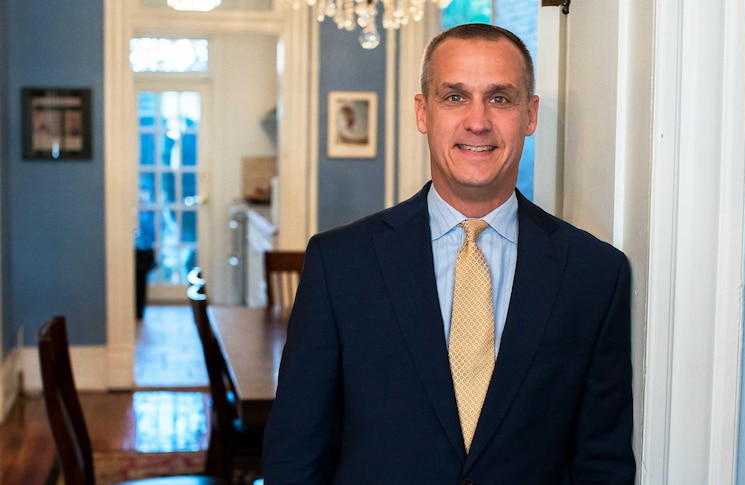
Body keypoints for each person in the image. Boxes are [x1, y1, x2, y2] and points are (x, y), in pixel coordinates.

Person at [263, 23, 635, 483]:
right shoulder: (339, 265)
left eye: (500, 98)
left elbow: (603, 462)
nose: (477, 121)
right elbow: (295, 454)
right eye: (455, 97)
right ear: (423, 112)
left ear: (530, 114)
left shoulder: (595, 274)